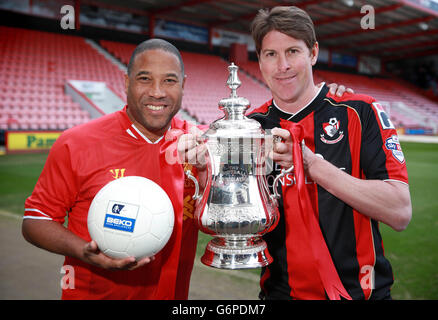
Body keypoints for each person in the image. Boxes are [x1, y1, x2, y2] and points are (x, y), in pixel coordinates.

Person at [247, 6, 412, 300]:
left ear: (313, 53)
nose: (282, 65)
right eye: (270, 54)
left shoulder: (360, 112)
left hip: (363, 295)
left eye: (293, 51)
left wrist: (310, 165)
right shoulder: (250, 128)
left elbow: (400, 211)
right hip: (279, 295)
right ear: (259, 61)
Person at [22, 39, 199, 299]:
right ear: (127, 83)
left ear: (183, 85)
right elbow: (35, 221)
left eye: (170, 81)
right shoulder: (77, 143)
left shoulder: (199, 145)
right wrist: (84, 251)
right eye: (145, 79)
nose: (157, 92)